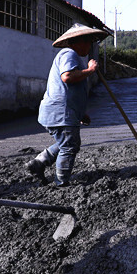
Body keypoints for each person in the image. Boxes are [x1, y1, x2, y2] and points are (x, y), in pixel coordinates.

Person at [26, 24, 107, 187]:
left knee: (68, 143)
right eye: (88, 42)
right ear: (78, 42)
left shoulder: (73, 57)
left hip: (62, 112)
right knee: (69, 146)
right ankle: (61, 181)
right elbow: (67, 77)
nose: (90, 46)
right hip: (60, 112)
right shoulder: (68, 54)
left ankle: (39, 163)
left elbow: (71, 91)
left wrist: (80, 113)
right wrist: (91, 70)